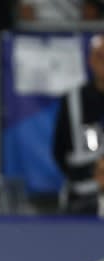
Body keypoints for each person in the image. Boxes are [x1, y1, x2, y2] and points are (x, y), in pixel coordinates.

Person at [53, 35, 104, 215]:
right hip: (84, 196)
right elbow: (60, 150)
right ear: (90, 61)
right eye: (100, 57)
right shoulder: (76, 100)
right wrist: (94, 169)